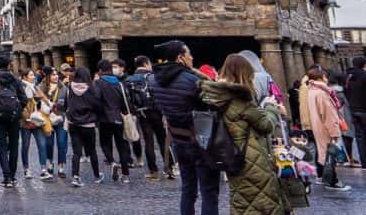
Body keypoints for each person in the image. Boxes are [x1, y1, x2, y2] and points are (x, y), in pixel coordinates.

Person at [199, 53, 289, 214]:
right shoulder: (241, 99)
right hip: (252, 158)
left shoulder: (214, 97)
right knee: (262, 202)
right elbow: (266, 125)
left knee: (242, 200)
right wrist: (271, 107)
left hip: (232, 156)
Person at [149, 40, 220, 215]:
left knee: (188, 189)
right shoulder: (192, 80)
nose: (192, 57)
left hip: (177, 139)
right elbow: (211, 105)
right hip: (199, 140)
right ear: (180, 57)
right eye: (189, 54)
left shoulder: (154, 80)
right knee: (209, 190)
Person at [305, 64, 352, 191]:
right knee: (330, 155)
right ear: (320, 77)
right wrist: (334, 133)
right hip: (325, 128)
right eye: (325, 76)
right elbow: (328, 115)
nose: (327, 78)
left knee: (325, 154)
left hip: (319, 126)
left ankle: (327, 179)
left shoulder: (312, 90)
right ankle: (332, 181)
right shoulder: (321, 93)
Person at [127, 54, 171, 181]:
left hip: (142, 113)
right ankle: (169, 168)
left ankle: (153, 171)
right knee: (163, 140)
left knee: (148, 141)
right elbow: (162, 93)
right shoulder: (154, 77)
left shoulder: (130, 79)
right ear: (146, 64)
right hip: (157, 111)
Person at [0, 53, 27, 188]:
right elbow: (24, 99)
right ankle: (13, 176)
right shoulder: (15, 80)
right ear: (9, 65)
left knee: (2, 146)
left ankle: (6, 176)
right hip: (14, 117)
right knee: (14, 145)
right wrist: (18, 110)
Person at [93, 59, 132, 183]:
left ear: (100, 70)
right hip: (118, 117)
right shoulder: (119, 83)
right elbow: (125, 101)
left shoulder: (98, 83)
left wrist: (98, 112)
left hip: (104, 119)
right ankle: (125, 174)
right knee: (122, 146)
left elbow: (96, 99)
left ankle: (112, 161)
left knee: (105, 144)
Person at [65, 66, 103, 187]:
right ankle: (97, 176)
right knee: (92, 151)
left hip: (73, 123)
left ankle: (76, 177)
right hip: (88, 123)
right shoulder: (91, 88)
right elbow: (97, 105)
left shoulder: (70, 87)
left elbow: (67, 104)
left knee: (76, 152)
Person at [37, 65, 67, 178]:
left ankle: (61, 166)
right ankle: (50, 163)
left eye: (56, 75)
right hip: (47, 119)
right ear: (48, 76)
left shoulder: (63, 88)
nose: (56, 77)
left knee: (62, 143)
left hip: (61, 119)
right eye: (53, 75)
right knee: (49, 143)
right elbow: (37, 103)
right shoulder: (41, 87)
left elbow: (67, 104)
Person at [329, 71, 357, 166]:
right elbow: (342, 104)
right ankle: (348, 158)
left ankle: (346, 158)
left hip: (337, 117)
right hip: (343, 116)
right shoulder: (339, 92)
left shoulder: (329, 91)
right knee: (347, 137)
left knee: (342, 138)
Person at [347, 55, 366, 169]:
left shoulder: (350, 77)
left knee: (359, 137)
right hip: (364, 110)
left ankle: (364, 162)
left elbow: (347, 92)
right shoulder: (364, 75)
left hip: (354, 109)